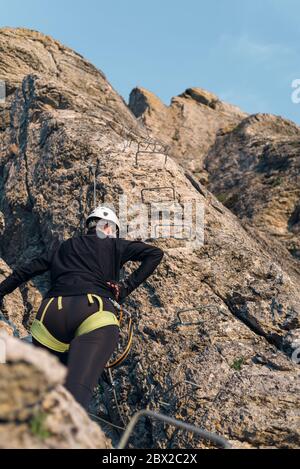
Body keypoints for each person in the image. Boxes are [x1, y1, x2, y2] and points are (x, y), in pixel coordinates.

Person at [0, 206, 164, 409]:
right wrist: (125, 288)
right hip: (94, 310)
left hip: (51, 314)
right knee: (75, 397)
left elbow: (25, 271)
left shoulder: (63, 247)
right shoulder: (114, 244)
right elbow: (155, 254)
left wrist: (1, 292)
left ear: (89, 226)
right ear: (111, 229)